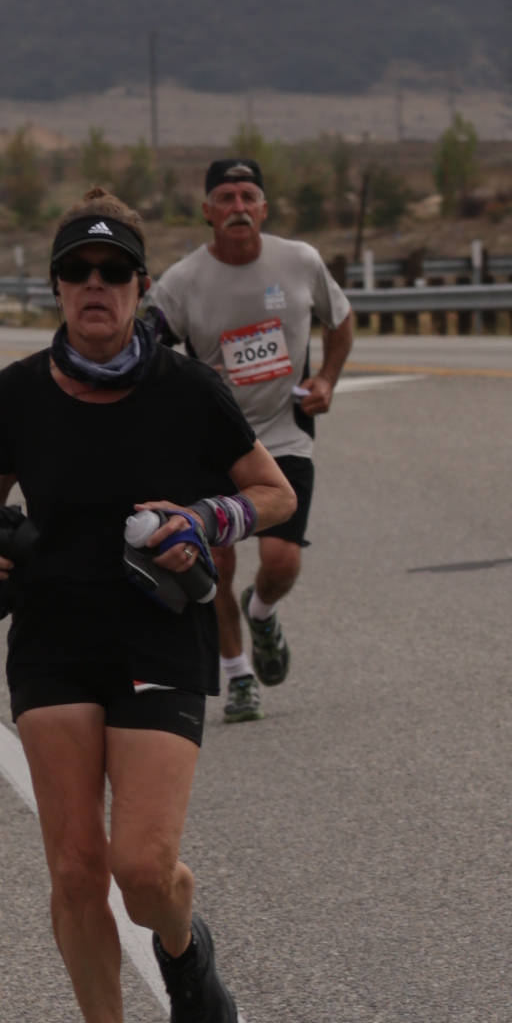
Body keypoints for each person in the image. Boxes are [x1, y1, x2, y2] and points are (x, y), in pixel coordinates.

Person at [0, 194, 296, 1023]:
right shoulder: (15, 394)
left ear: (140, 287)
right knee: (78, 866)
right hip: (52, 638)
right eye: (77, 272)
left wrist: (205, 518)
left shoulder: (186, 389)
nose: (95, 287)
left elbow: (273, 492)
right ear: (56, 288)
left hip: (159, 633)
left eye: (113, 273)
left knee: (142, 867)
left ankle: (182, 941)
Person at [149, 153, 354, 721]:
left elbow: (340, 319)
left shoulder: (300, 261)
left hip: (285, 435)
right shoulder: (181, 282)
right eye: (226, 198)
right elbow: (146, 352)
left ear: (263, 209)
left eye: (248, 198)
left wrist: (326, 379)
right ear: (207, 210)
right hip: (214, 443)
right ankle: (239, 675)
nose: (237, 207)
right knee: (215, 562)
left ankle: (261, 612)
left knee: (281, 560)